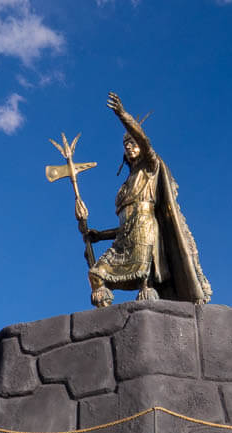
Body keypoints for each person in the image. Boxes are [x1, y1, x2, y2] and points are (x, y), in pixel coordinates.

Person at [85, 92, 212, 308]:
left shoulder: (151, 167)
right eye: (126, 144)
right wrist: (99, 235)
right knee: (96, 274)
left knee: (144, 281)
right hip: (124, 238)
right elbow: (126, 223)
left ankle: (146, 298)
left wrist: (123, 115)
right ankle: (107, 316)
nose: (129, 146)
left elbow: (144, 140)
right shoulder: (125, 186)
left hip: (145, 234)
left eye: (133, 142)